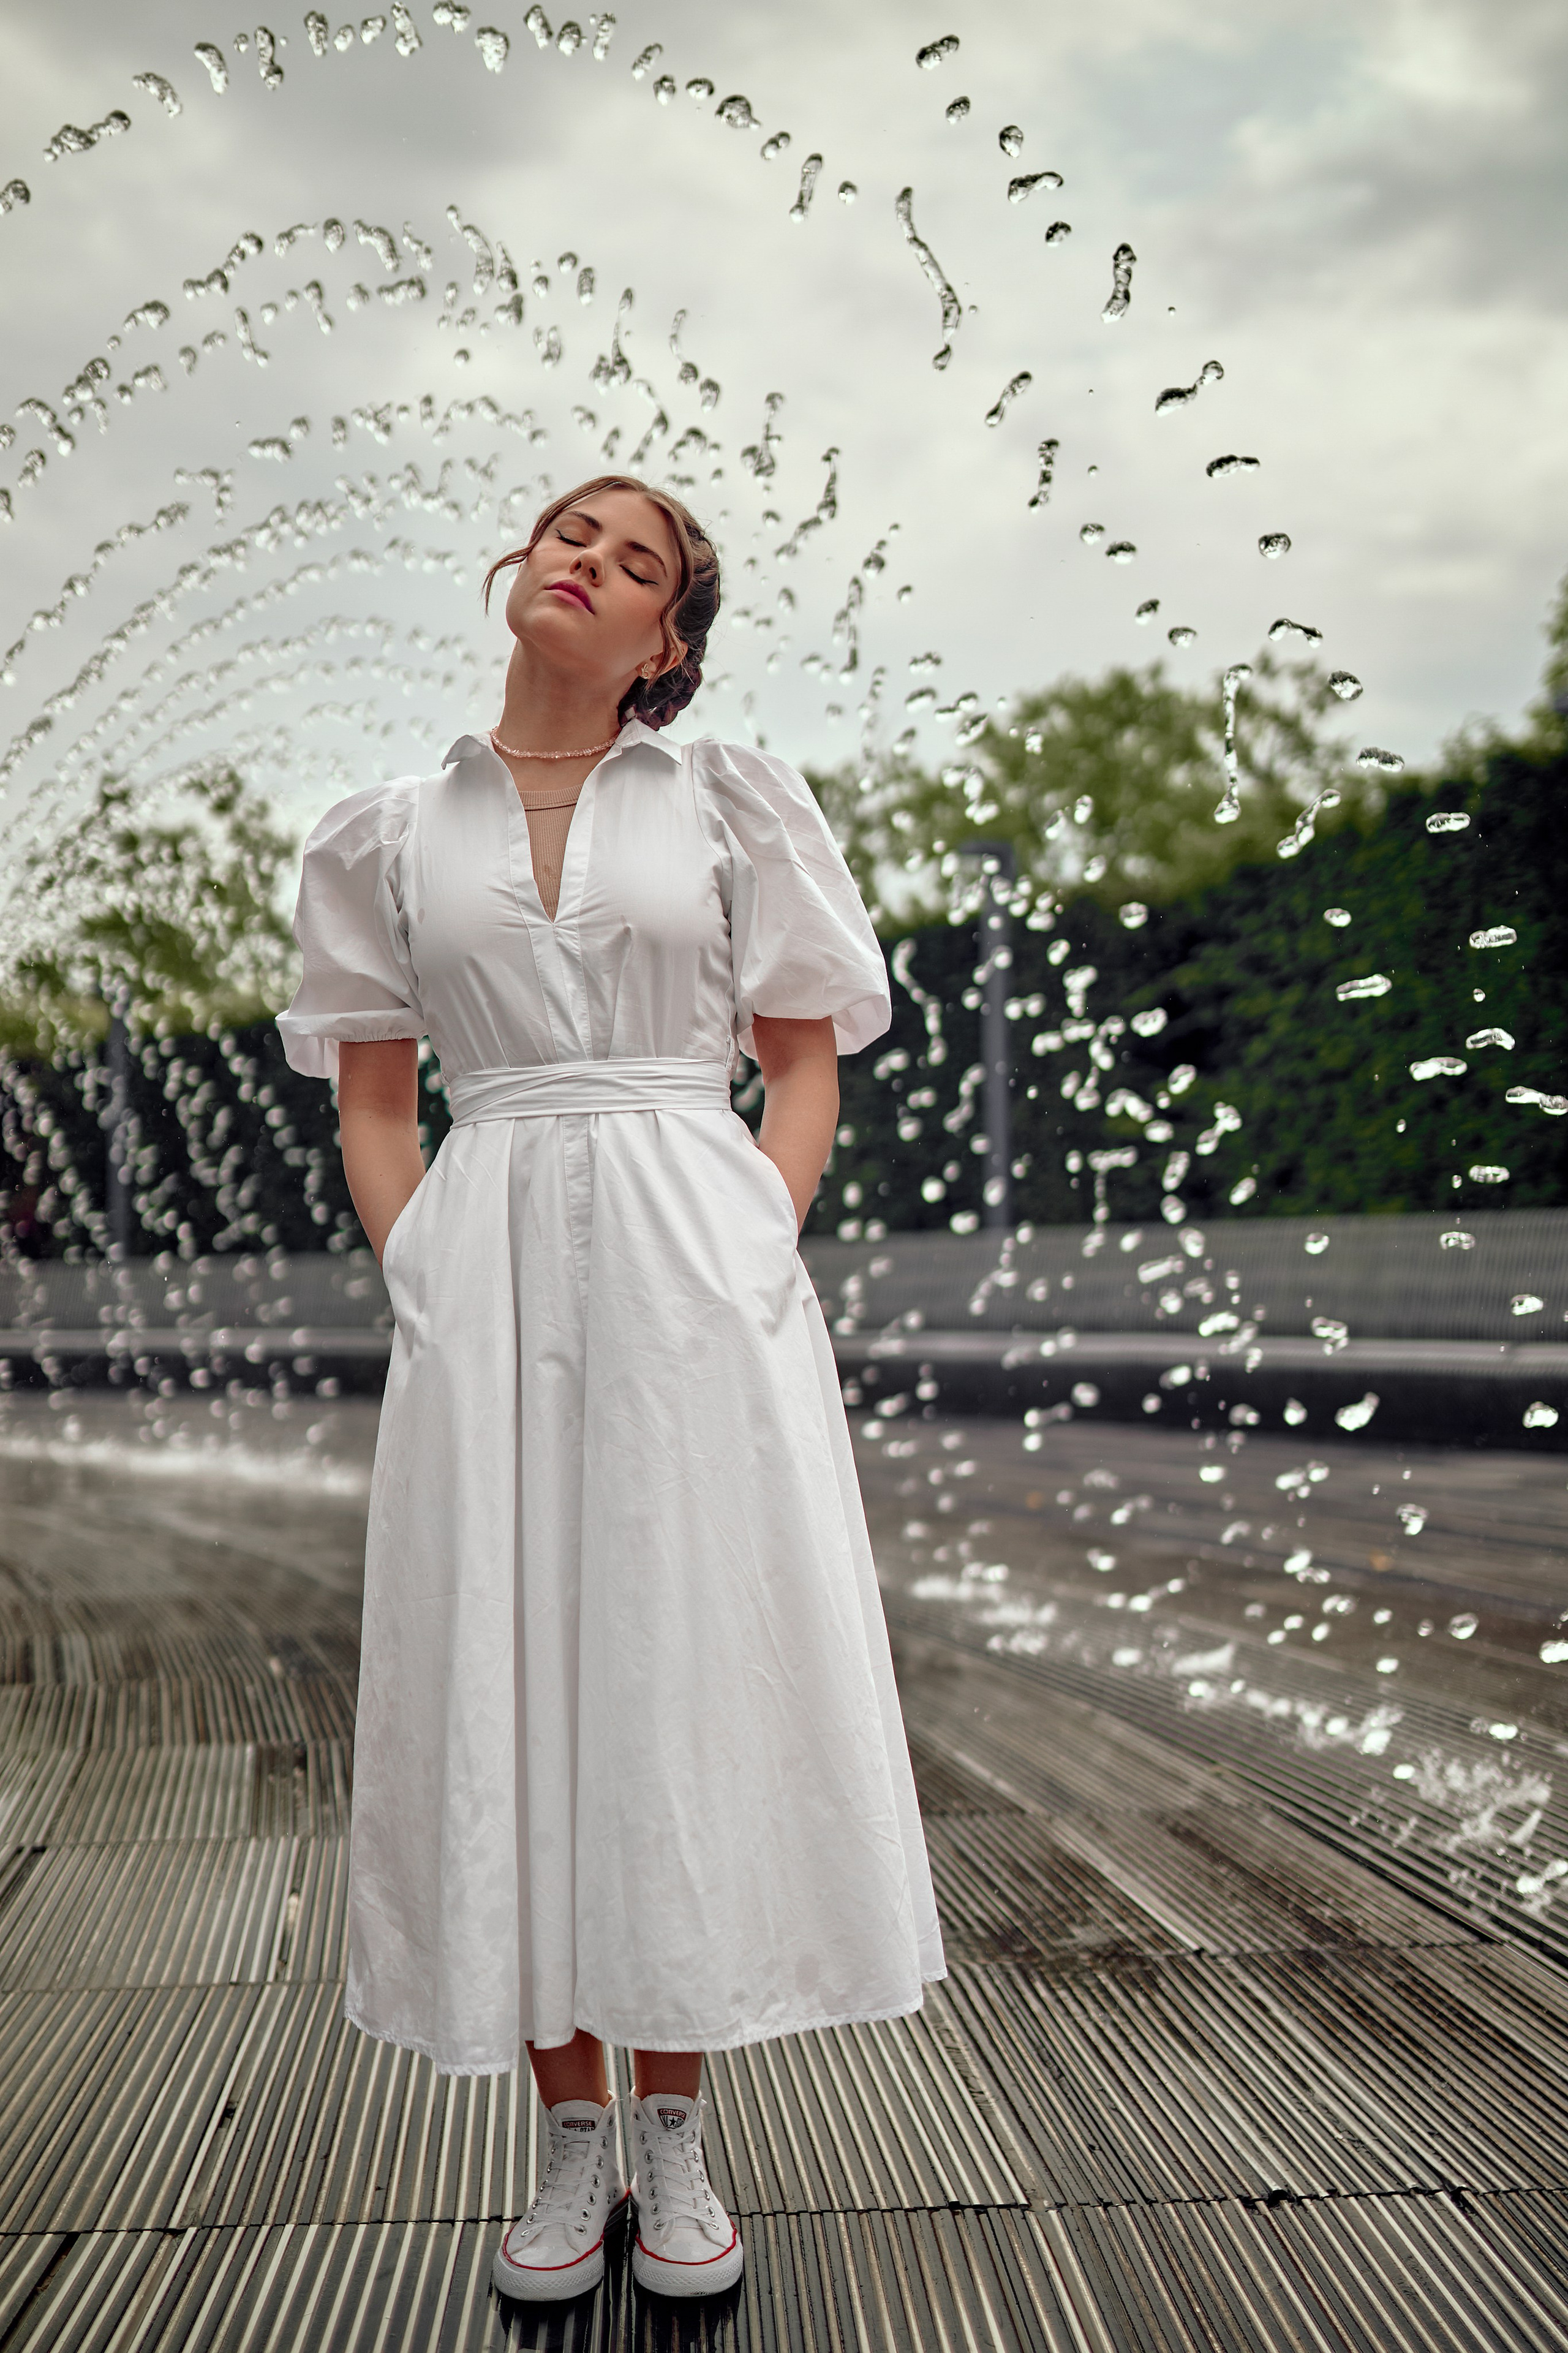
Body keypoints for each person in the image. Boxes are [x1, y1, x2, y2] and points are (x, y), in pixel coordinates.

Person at [278, 475, 943, 2304]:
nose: (587, 556)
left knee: (675, 1662)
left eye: (636, 560)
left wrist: (758, 1242)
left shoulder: (729, 801)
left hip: (690, 1256)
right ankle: (568, 2135)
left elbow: (798, 1062)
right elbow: (374, 1096)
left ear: (666, 644)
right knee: (509, 1654)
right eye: (570, 530)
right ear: (517, 573)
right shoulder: (388, 835)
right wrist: (422, 1272)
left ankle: (675, 2124)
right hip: (483, 1254)